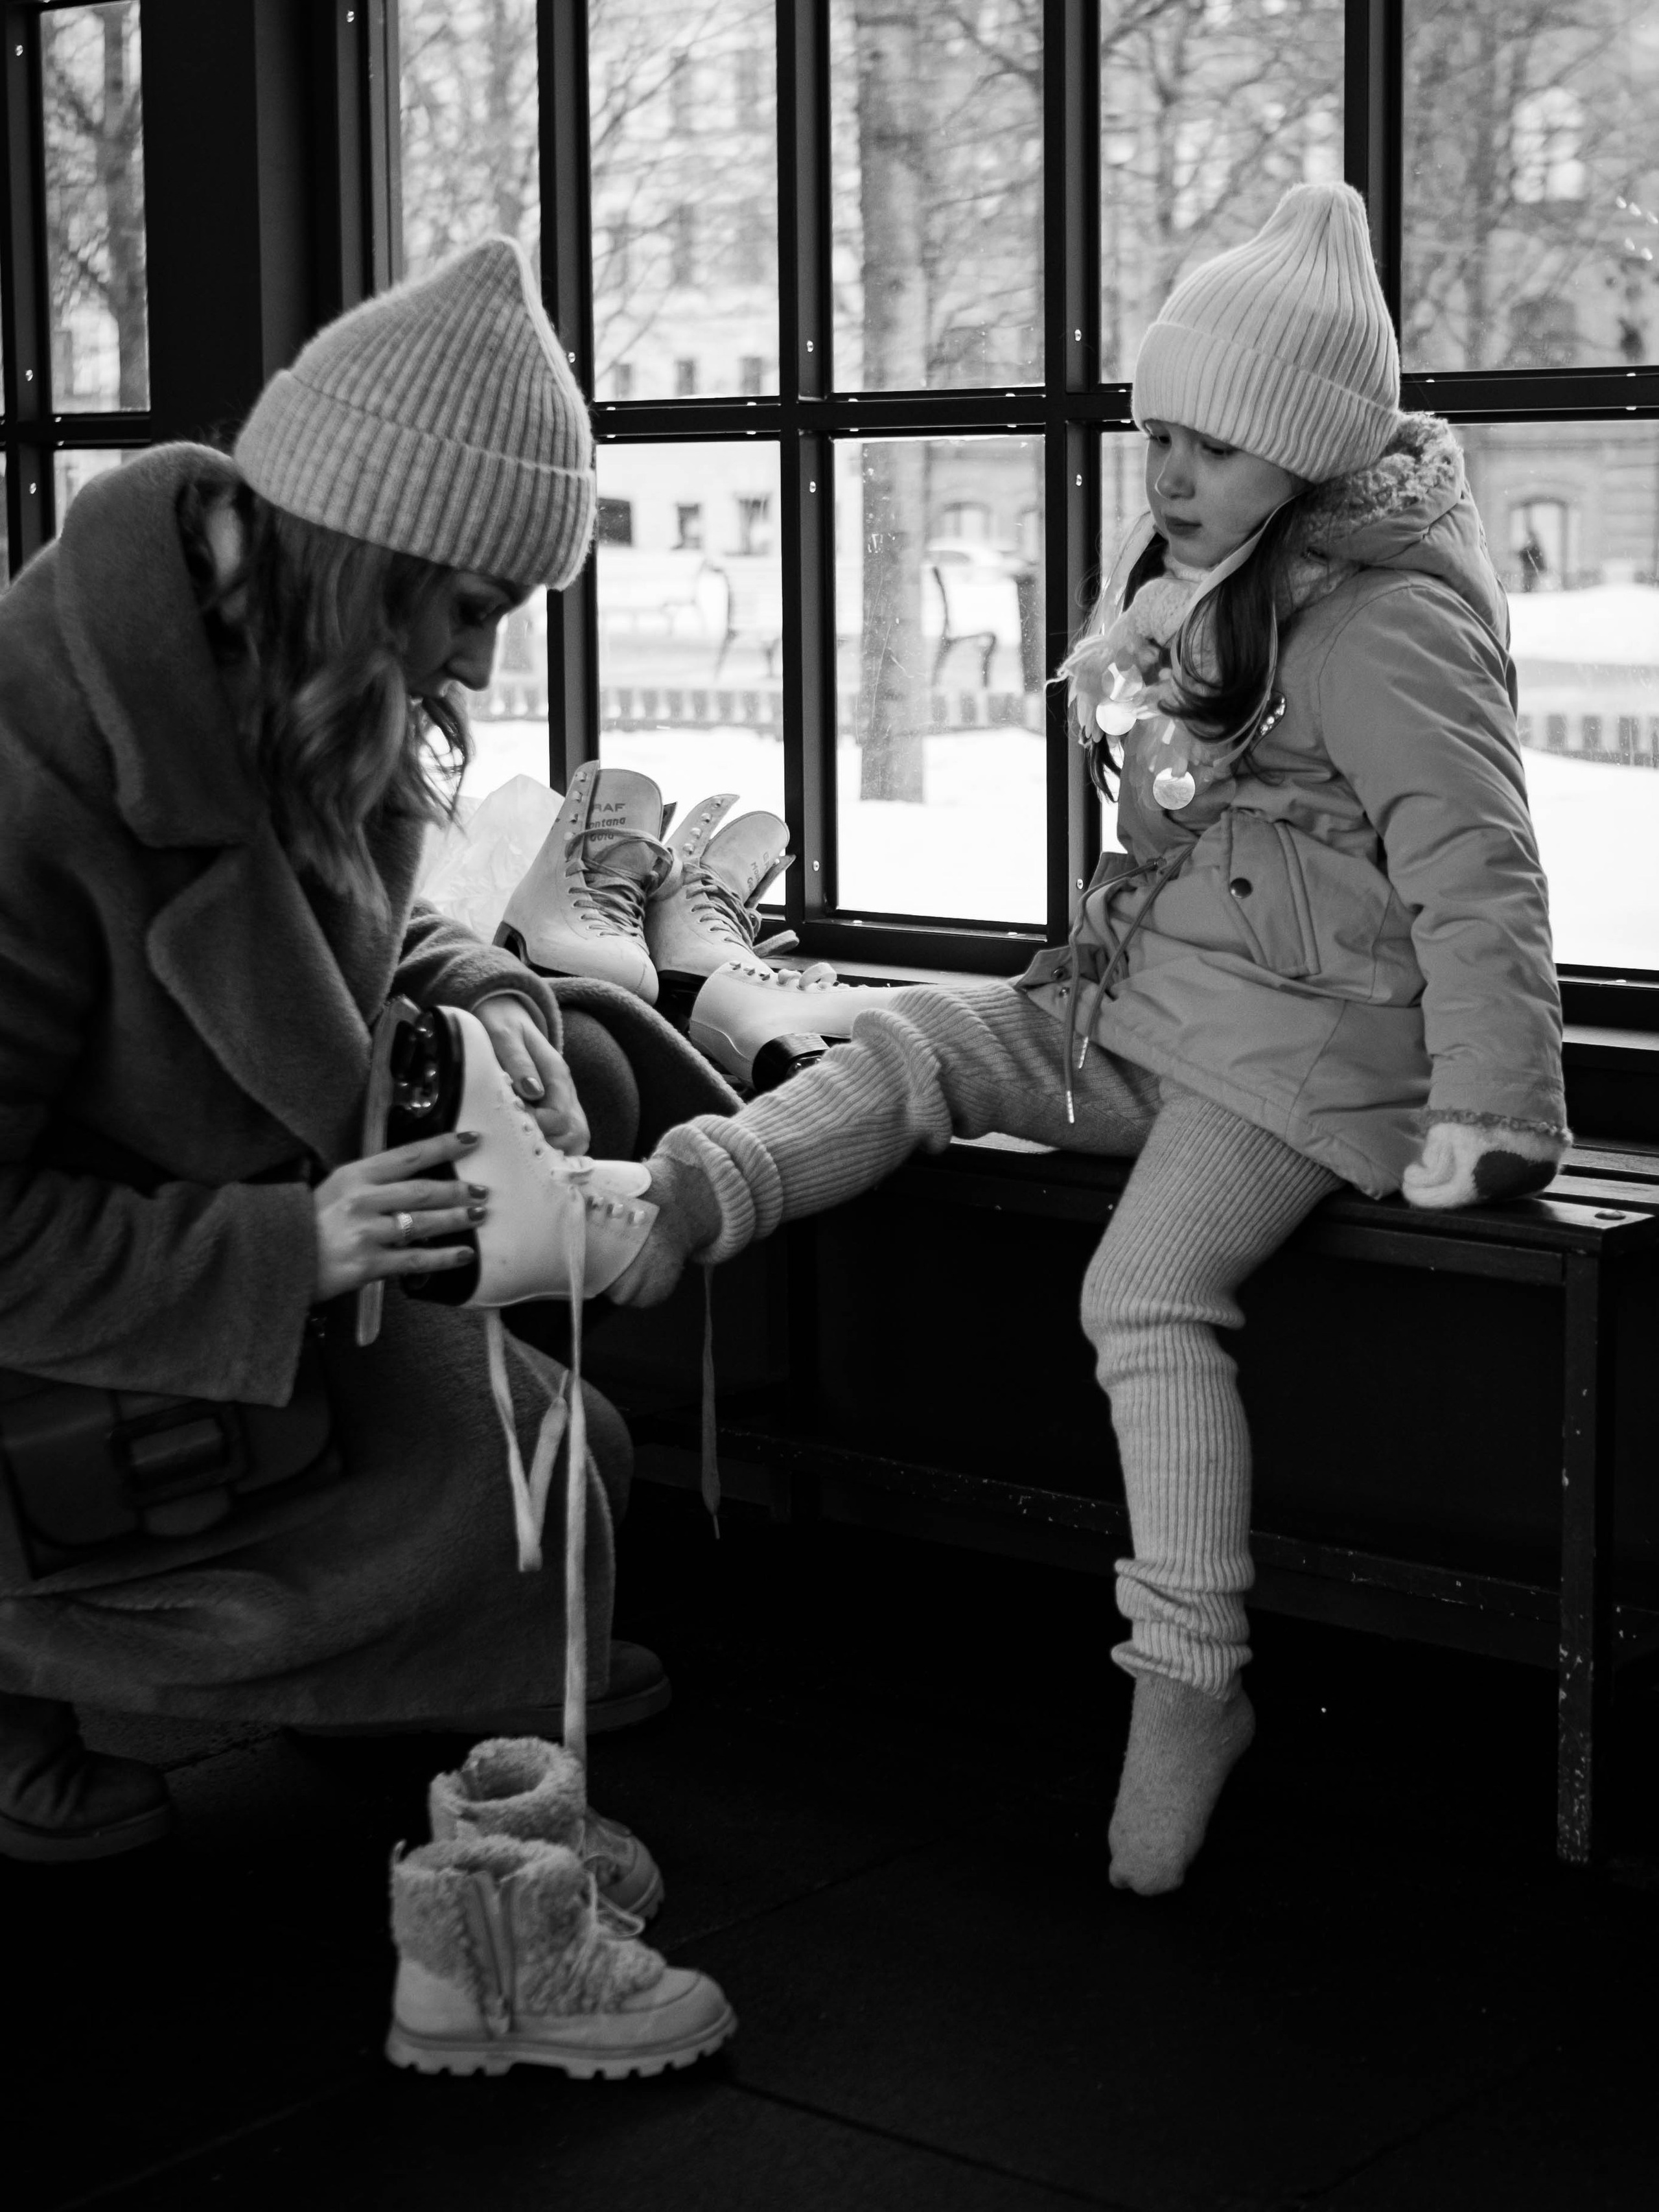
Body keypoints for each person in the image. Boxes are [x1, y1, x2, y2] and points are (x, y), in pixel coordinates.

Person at [607, 184, 1568, 1896]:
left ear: (1306, 448)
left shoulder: (1385, 621)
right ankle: (694, 1194)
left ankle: (1188, 1680)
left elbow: (1476, 871)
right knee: (918, 1038)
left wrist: (1502, 1109)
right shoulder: (1208, 586)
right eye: (1158, 436)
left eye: (1208, 443)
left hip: (1303, 1055)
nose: (1167, 472)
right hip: (1150, 1010)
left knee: (1139, 1289)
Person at [0, 237, 732, 1862]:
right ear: (361, 561)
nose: (478, 665)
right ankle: (25, 1677)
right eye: (470, 610)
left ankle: (403, 1659)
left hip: (227, 1263)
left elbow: (333, 939)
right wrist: (290, 1248)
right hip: (75, 1326)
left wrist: (490, 997)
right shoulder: (29, 767)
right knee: (508, 1501)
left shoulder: (296, 674)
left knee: (568, 1459)